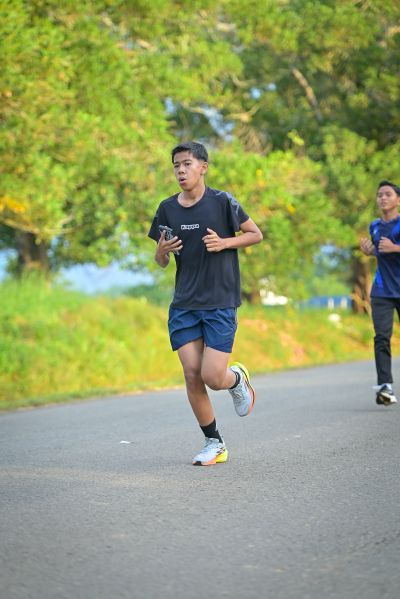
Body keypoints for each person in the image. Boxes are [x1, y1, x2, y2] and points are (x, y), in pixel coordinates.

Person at [148, 141, 263, 465]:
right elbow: (160, 261)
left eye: (187, 164)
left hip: (220, 301)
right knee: (191, 375)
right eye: (176, 166)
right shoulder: (167, 208)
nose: (181, 171)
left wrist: (225, 242)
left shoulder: (222, 202)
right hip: (184, 304)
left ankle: (236, 379)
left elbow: (255, 234)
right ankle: (214, 442)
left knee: (213, 377)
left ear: (203, 167)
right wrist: (162, 251)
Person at [360, 180, 400, 406]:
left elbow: (391, 250)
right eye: (379, 195)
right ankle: (385, 386)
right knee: (382, 338)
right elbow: (381, 253)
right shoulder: (374, 226)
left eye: (388, 194)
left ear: (398, 200)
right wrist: (371, 251)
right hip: (382, 290)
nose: (383, 198)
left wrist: (395, 248)